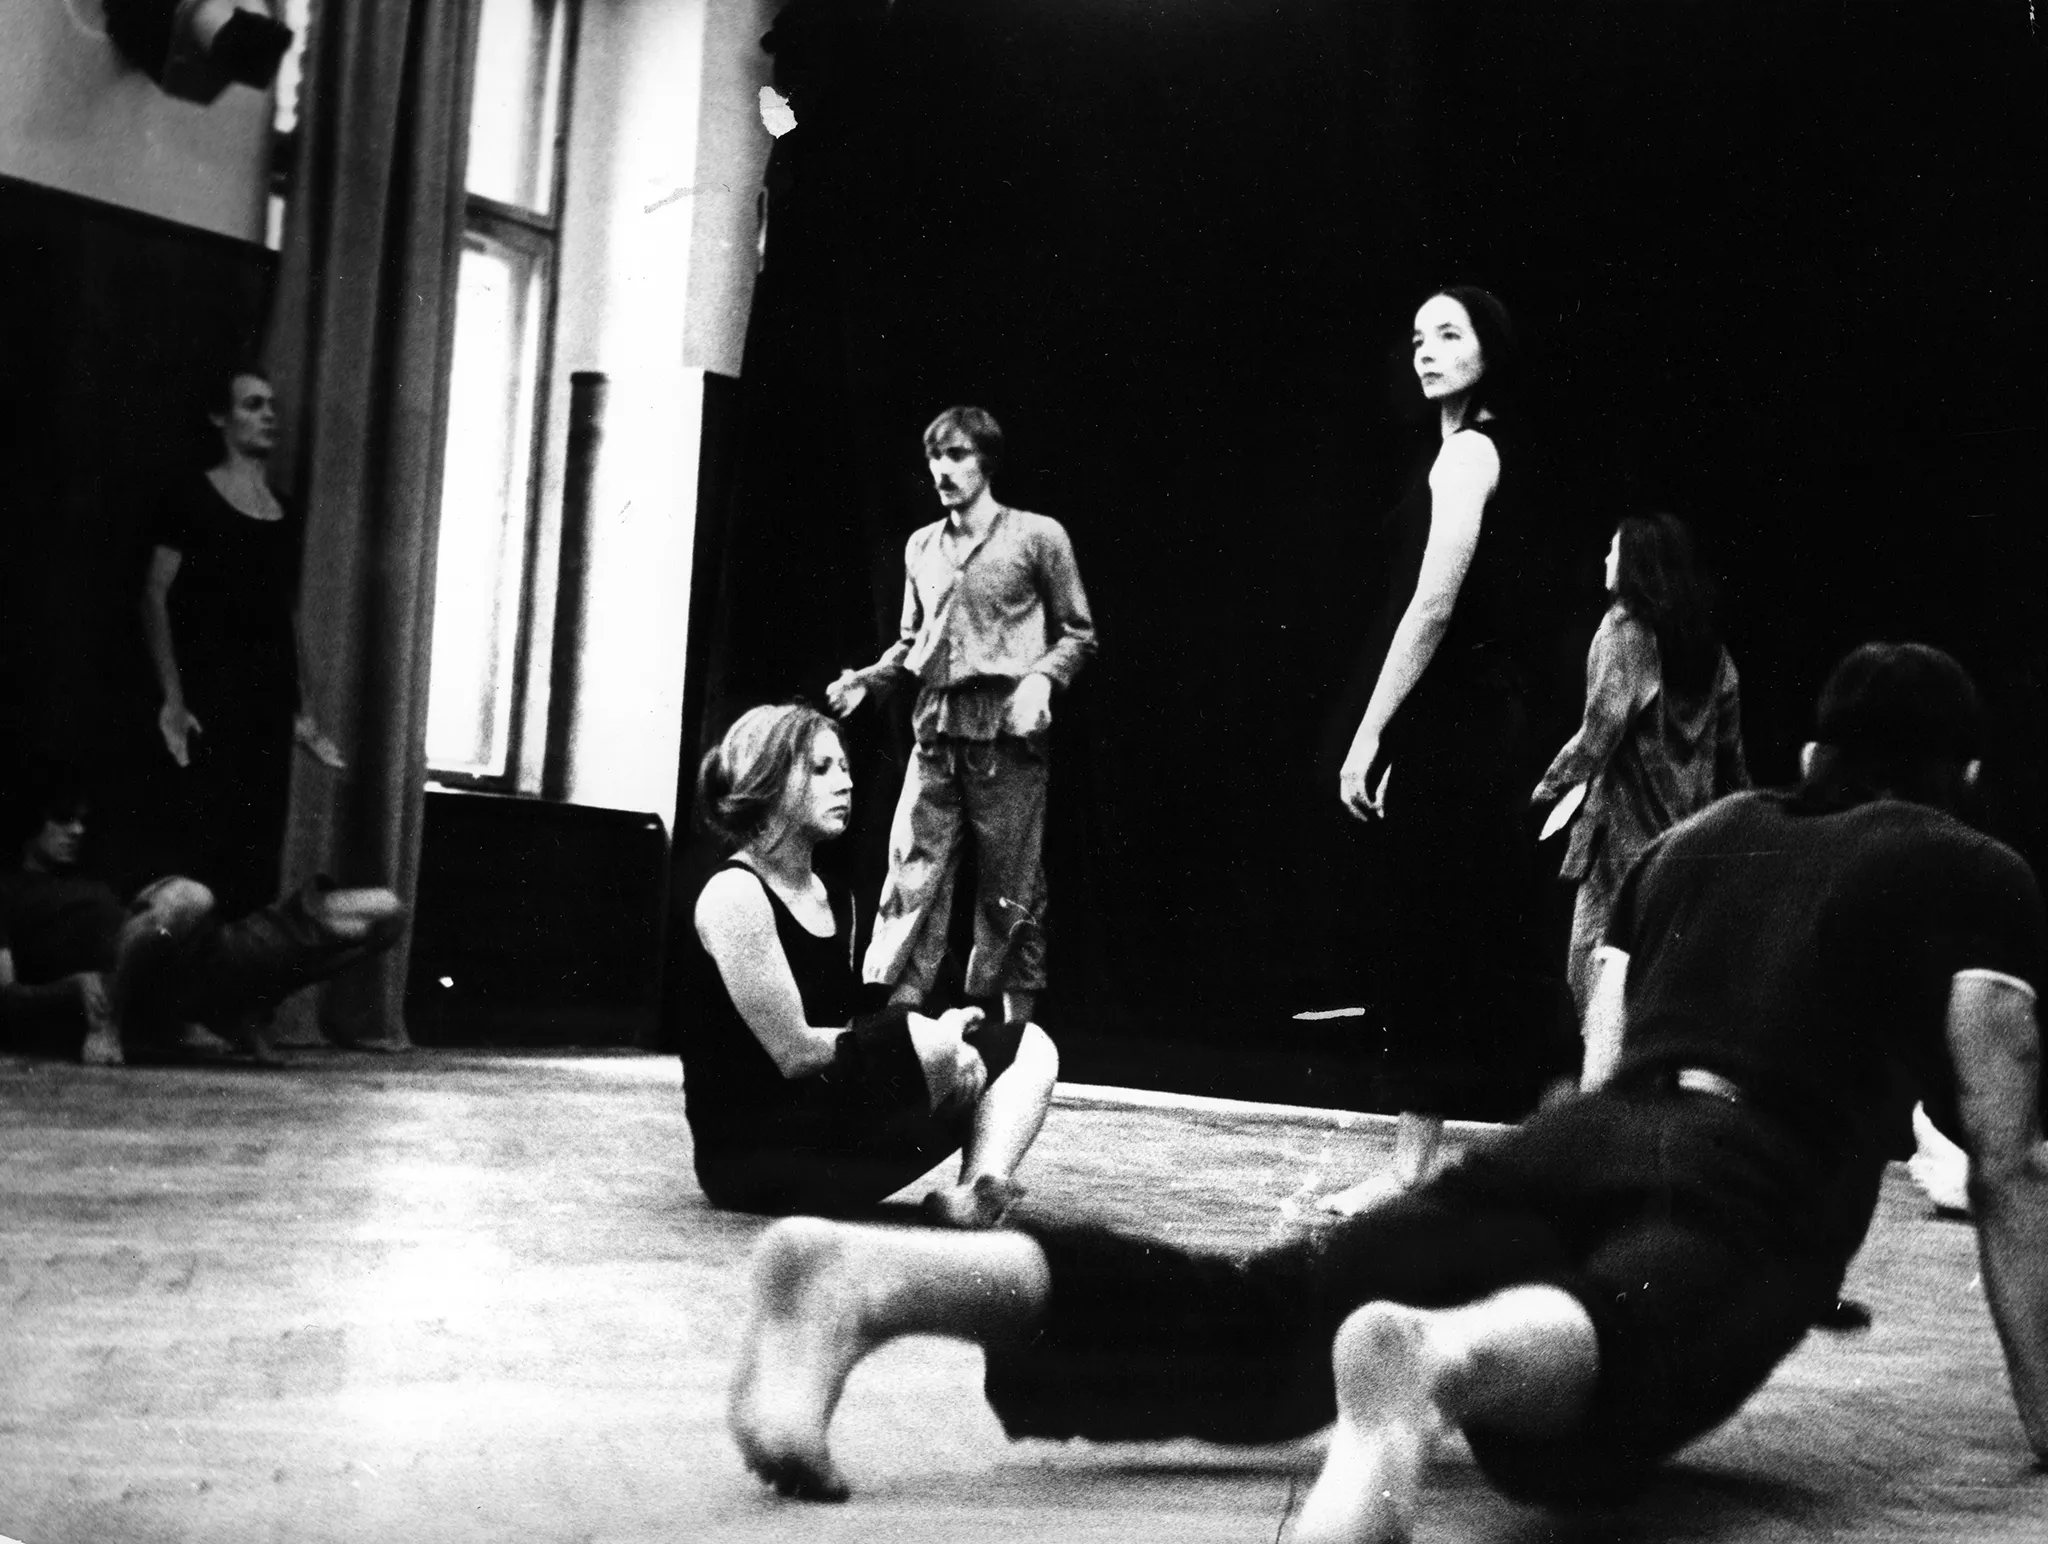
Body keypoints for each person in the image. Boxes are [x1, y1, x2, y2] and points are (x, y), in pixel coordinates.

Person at [727, 643, 2048, 1542]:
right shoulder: (1968, 866)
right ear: (1966, 778)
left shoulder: (1698, 844)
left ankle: (868, 1279)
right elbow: (2007, 1162)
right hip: (1750, 1170)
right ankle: (1432, 1361)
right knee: (1627, 1359)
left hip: (1581, 1139)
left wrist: (1566, 1184)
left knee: (1265, 1315)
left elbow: (1602, 1068)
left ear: (1814, 752)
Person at [1326, 287, 1551, 1211]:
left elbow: (1433, 605)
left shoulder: (1467, 455)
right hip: (1476, 718)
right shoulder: (1471, 451)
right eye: (1418, 336)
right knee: (1461, 933)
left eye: (1449, 335)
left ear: (1488, 352)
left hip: (1462, 722)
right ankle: (1474, 1160)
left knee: (1432, 934)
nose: (1426, 351)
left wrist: (1370, 730)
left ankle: (1412, 1167)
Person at [684, 703, 1060, 1226]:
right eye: (821, 769)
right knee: (926, 1040)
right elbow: (794, 1052)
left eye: (844, 768)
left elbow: (852, 1030)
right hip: (752, 1161)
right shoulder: (735, 893)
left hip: (828, 1144)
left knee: (1029, 1045)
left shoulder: (834, 897)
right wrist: (928, 1046)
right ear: (765, 781)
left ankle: (976, 1190)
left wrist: (940, 1040)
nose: (845, 783)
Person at [826, 406, 1096, 1038]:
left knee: (1012, 882)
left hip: (1006, 733)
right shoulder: (921, 545)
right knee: (912, 868)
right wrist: (868, 679)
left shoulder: (1037, 536)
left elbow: (1078, 633)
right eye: (934, 457)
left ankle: (1014, 1032)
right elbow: (911, 643)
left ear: (987, 462)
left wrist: (1040, 679)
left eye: (956, 456)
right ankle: (897, 1024)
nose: (942, 471)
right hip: (935, 729)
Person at [0, 763, 406, 1065]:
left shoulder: (89, 877)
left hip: (208, 952)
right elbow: (5, 996)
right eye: (63, 819)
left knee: (388, 916)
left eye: (81, 821)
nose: (77, 830)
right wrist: (72, 985)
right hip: (164, 979)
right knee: (191, 897)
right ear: (29, 822)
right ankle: (110, 1023)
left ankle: (247, 1005)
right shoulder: (7, 892)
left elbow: (146, 919)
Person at [139, 365, 343, 919]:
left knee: (257, 858)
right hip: (207, 704)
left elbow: (287, 614)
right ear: (219, 417)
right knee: (202, 855)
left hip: (266, 711)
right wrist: (173, 699)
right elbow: (154, 595)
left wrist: (304, 710)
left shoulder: (285, 511)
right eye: (253, 405)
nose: (269, 415)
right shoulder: (190, 495)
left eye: (272, 405)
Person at [1531, 511, 1748, 1020]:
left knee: (1595, 975)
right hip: (1688, 838)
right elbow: (1732, 756)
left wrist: (1543, 789)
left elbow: (1598, 733)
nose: (1606, 558)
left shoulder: (1623, 632)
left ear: (1636, 563)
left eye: (1615, 549)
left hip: (1622, 840)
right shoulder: (1711, 650)